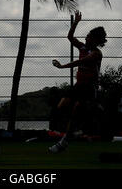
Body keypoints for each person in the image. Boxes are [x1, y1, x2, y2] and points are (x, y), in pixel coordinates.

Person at [49, 10, 107, 153]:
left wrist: (63, 66)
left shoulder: (96, 53)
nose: (86, 38)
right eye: (87, 35)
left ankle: (64, 142)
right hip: (79, 85)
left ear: (95, 40)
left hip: (88, 87)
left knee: (76, 114)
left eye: (89, 37)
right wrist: (75, 22)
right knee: (62, 107)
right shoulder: (82, 47)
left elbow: (81, 62)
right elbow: (69, 37)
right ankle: (77, 129)